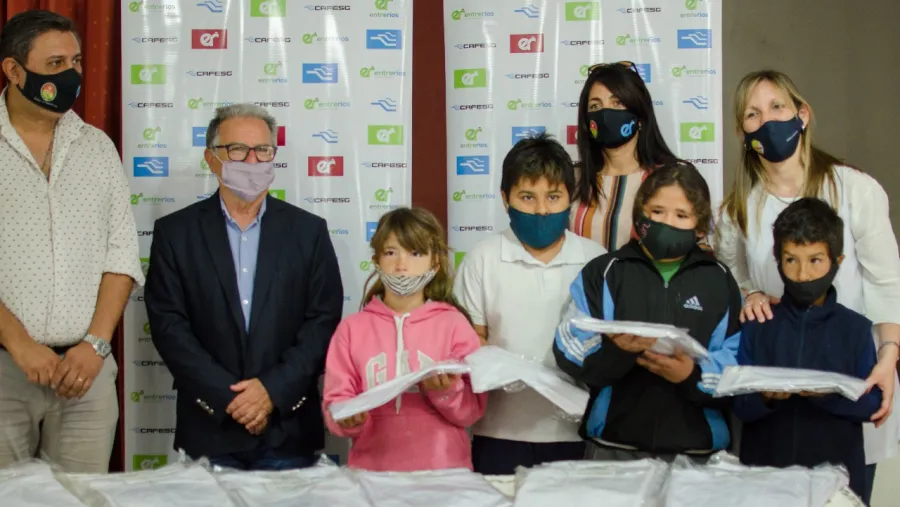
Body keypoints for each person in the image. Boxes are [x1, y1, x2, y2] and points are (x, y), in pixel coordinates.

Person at [714, 69, 900, 490]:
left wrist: (888, 357)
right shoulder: (736, 209)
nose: (767, 121)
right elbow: (730, 272)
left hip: (850, 369)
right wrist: (750, 292)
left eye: (777, 107)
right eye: (753, 114)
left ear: (802, 114)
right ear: (742, 132)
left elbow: (887, 282)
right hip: (775, 391)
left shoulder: (855, 189)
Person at [144, 103, 344, 470]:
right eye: (237, 149)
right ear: (211, 158)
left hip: (288, 428)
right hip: (209, 427)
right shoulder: (175, 234)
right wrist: (230, 399)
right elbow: (169, 326)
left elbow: (322, 321)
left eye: (262, 150)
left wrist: (271, 392)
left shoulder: (308, 231)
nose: (252, 161)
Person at [0, 10, 142, 472]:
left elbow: (121, 256)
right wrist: (19, 344)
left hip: (86, 374)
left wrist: (95, 345)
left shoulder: (97, 147)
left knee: (81, 499)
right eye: (55, 64)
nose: (71, 75)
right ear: (14, 70)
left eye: (76, 62)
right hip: (5, 370)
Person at [555, 163, 743, 462]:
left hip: (698, 451)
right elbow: (569, 346)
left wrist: (691, 376)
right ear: (640, 213)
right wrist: (616, 351)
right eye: (657, 211)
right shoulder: (605, 272)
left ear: (699, 225)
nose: (667, 222)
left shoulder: (719, 280)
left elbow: (736, 360)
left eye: (681, 215)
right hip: (613, 446)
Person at [453, 133, 606, 475]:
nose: (541, 210)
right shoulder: (482, 259)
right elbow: (469, 340)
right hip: (498, 431)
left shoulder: (595, 260)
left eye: (553, 197)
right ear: (505, 199)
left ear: (570, 197)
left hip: (576, 430)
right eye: (527, 197)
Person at [733, 197, 882, 502]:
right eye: (791, 260)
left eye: (815, 260)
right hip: (764, 478)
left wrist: (829, 394)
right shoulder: (759, 323)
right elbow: (739, 405)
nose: (802, 274)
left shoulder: (856, 329)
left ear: (837, 261)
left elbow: (873, 405)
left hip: (837, 483)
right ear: (777, 259)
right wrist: (766, 397)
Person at [322, 207, 485, 471]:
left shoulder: (454, 324)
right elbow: (335, 406)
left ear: (435, 263)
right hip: (371, 474)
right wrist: (348, 419)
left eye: (416, 253)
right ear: (376, 261)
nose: (401, 265)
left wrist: (446, 391)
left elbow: (472, 412)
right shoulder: (351, 329)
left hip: (444, 474)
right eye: (390, 252)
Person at [570, 61, 682, 251]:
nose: (605, 113)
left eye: (617, 103)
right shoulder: (573, 179)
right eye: (595, 106)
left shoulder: (672, 179)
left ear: (640, 115)